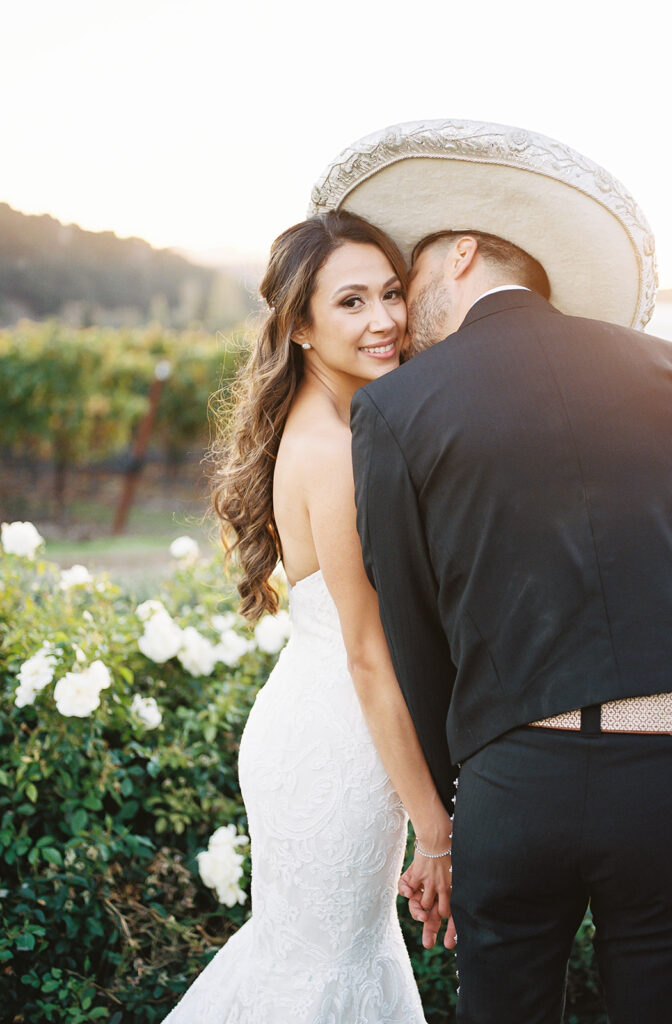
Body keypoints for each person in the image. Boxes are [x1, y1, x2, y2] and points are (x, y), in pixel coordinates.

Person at [309, 120, 672, 1023]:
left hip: (512, 783)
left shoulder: (396, 409)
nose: (405, 317)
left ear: (465, 255)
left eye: (411, 283)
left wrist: (461, 788)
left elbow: (412, 625)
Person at [161, 210, 452, 1024]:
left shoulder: (338, 423)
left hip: (317, 725)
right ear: (299, 326)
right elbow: (368, 655)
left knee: (313, 959)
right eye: (351, 303)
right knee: (324, 970)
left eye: (392, 293)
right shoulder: (335, 450)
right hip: (340, 746)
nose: (387, 319)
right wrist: (435, 832)